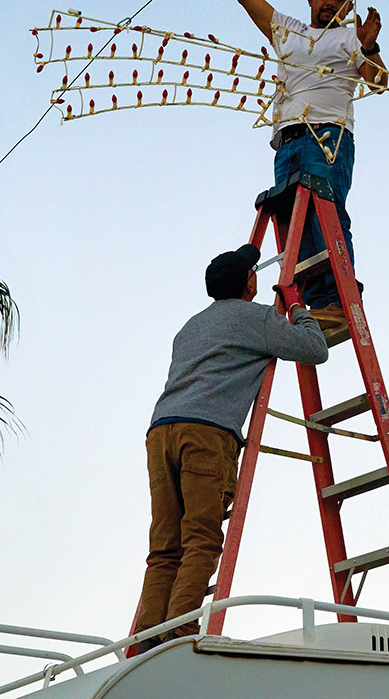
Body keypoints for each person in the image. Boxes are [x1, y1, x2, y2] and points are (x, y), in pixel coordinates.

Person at [134, 243, 329, 651]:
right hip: (207, 433)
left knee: (164, 550)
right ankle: (177, 642)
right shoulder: (258, 318)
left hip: (161, 432)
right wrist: (296, 305)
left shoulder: (188, 327)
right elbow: (315, 349)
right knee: (201, 540)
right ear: (249, 283)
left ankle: (145, 645)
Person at [222, 0, 388, 329]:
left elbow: (380, 82)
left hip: (328, 136)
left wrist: (369, 45)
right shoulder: (290, 32)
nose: (330, 2)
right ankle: (318, 304)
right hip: (289, 139)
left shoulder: (350, 40)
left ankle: (340, 299)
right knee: (290, 222)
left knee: (323, 213)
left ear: (348, 6)